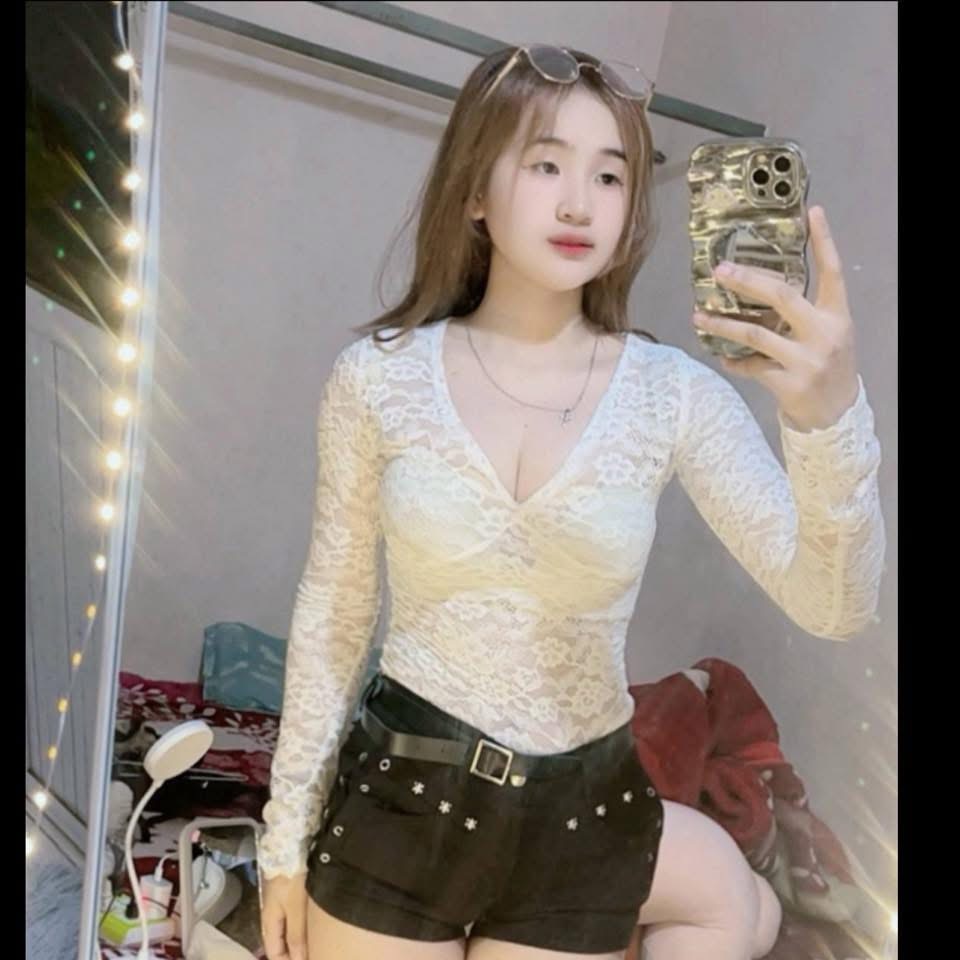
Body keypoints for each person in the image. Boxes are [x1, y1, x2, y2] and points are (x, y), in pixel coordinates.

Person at [257, 43, 885, 960]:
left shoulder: (673, 395)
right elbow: (335, 614)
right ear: (476, 190)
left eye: (611, 175)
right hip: (403, 796)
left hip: (581, 821)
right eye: (546, 164)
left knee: (725, 904)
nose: (580, 204)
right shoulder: (377, 379)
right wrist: (282, 843)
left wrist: (829, 423)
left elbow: (836, 606)